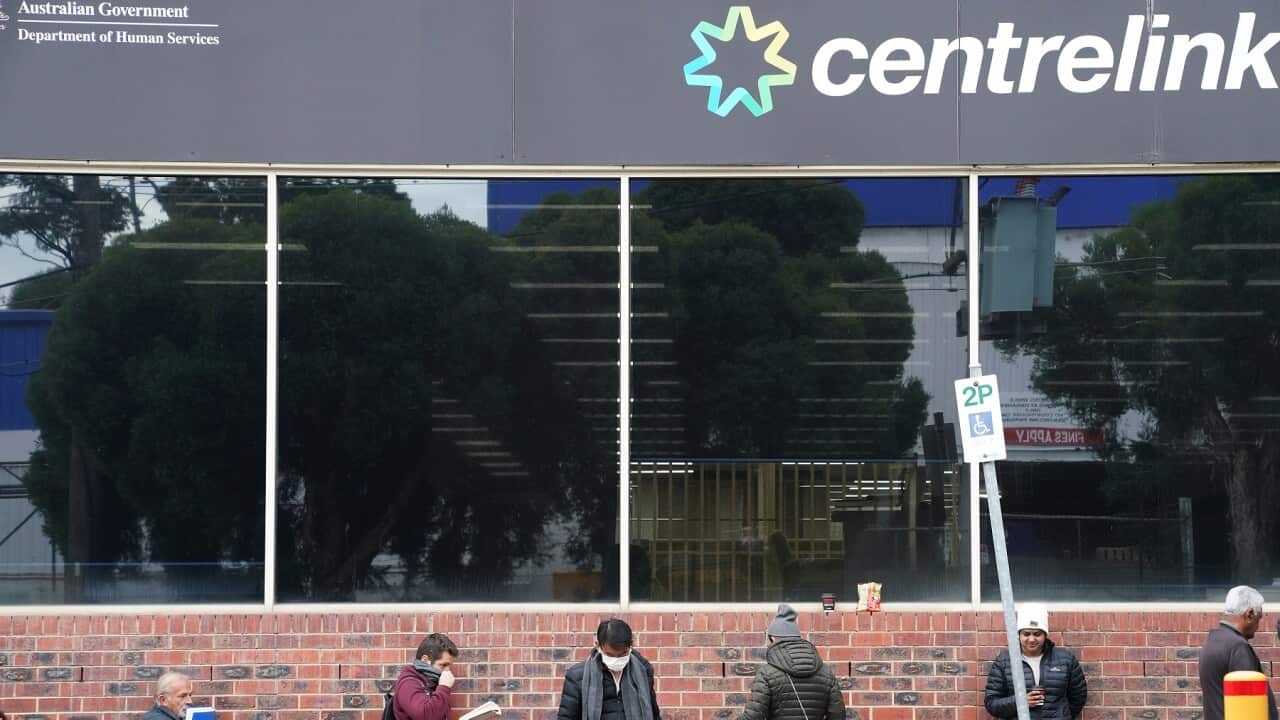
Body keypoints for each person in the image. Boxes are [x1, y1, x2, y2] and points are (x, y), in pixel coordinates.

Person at [739, 604, 845, 720]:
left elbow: (753, 716)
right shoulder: (826, 673)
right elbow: (838, 716)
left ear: (773, 638)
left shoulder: (766, 674)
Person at [984, 603, 1087, 720]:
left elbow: (1078, 697)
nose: (1031, 639)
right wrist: (1020, 702)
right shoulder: (1004, 662)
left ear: (1045, 635)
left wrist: (1062, 715)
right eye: (1026, 634)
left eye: (1037, 634)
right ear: (1019, 635)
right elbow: (992, 703)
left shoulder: (1065, 660)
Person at [1198, 586, 1278, 720]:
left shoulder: (1212, 641)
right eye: (1259, 618)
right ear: (1250, 614)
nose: (1258, 626)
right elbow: (1250, 706)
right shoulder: (1237, 647)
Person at [557, 619, 661, 720]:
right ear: (597, 645)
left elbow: (653, 712)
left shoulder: (643, 671)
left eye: (622, 655)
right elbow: (566, 716)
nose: (616, 660)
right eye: (610, 655)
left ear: (631, 646)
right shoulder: (578, 676)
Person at [394, 633, 459, 720]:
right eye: (443, 665)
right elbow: (425, 716)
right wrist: (444, 687)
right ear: (425, 660)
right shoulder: (408, 683)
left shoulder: (432, 681)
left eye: (449, 665)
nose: (447, 671)